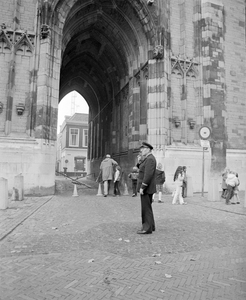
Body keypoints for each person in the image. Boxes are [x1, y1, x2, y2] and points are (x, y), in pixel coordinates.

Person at [136, 142, 156, 234]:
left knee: (146, 208)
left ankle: (147, 228)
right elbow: (141, 169)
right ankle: (151, 226)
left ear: (148, 149)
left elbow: (148, 174)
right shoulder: (147, 159)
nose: (141, 150)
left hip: (147, 188)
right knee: (148, 207)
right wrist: (139, 161)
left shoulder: (150, 159)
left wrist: (143, 186)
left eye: (143, 149)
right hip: (148, 187)